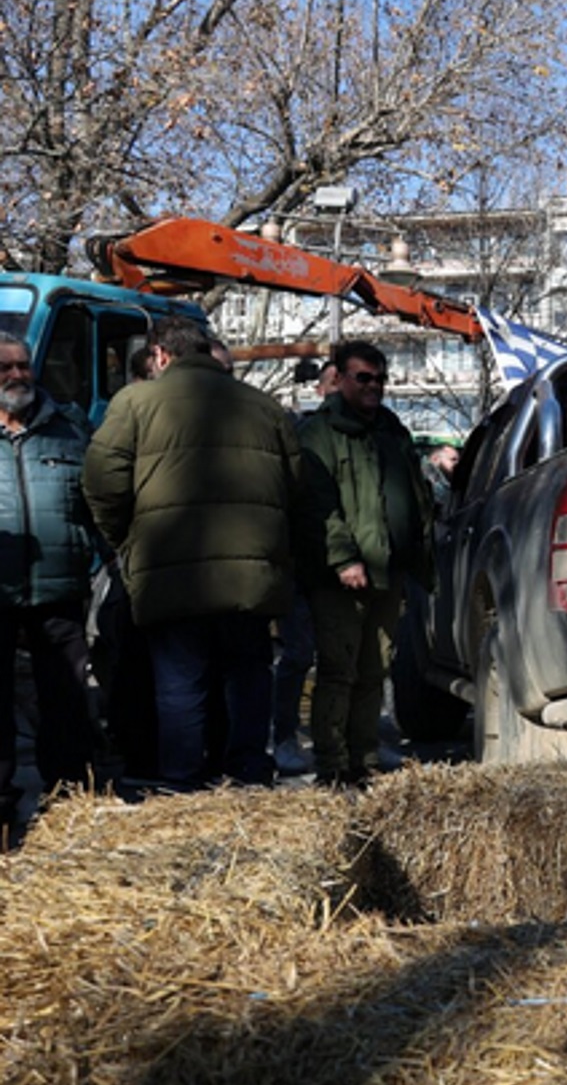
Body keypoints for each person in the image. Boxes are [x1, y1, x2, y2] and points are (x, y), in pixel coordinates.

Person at [81, 317, 305, 791]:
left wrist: (125, 539)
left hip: (170, 567)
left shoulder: (136, 402)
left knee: (181, 684)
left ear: (160, 355)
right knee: (248, 675)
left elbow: (101, 480)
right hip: (251, 573)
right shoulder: (264, 407)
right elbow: (296, 486)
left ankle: (183, 784)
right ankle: (246, 774)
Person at [296, 341, 433, 788]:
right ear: (338, 379)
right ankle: (332, 763)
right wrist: (343, 558)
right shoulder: (319, 432)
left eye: (380, 378)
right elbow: (316, 505)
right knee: (339, 670)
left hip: (389, 572)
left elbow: (414, 496)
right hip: (342, 576)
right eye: (364, 378)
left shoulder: (391, 429)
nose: (374, 386)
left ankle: (364, 756)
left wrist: (420, 554)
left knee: (376, 670)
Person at [0, 338, 106, 840]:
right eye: (6, 367)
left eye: (24, 365)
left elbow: (96, 501)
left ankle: (69, 801)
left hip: (60, 588)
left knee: (65, 701)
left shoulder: (68, 428)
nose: (18, 375)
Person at [273, 357, 339, 776]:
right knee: (297, 655)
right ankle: (283, 737)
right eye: (333, 382)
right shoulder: (299, 433)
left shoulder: (375, 433)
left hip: (341, 564)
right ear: (320, 388)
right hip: (298, 561)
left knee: (342, 659)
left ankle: (339, 740)